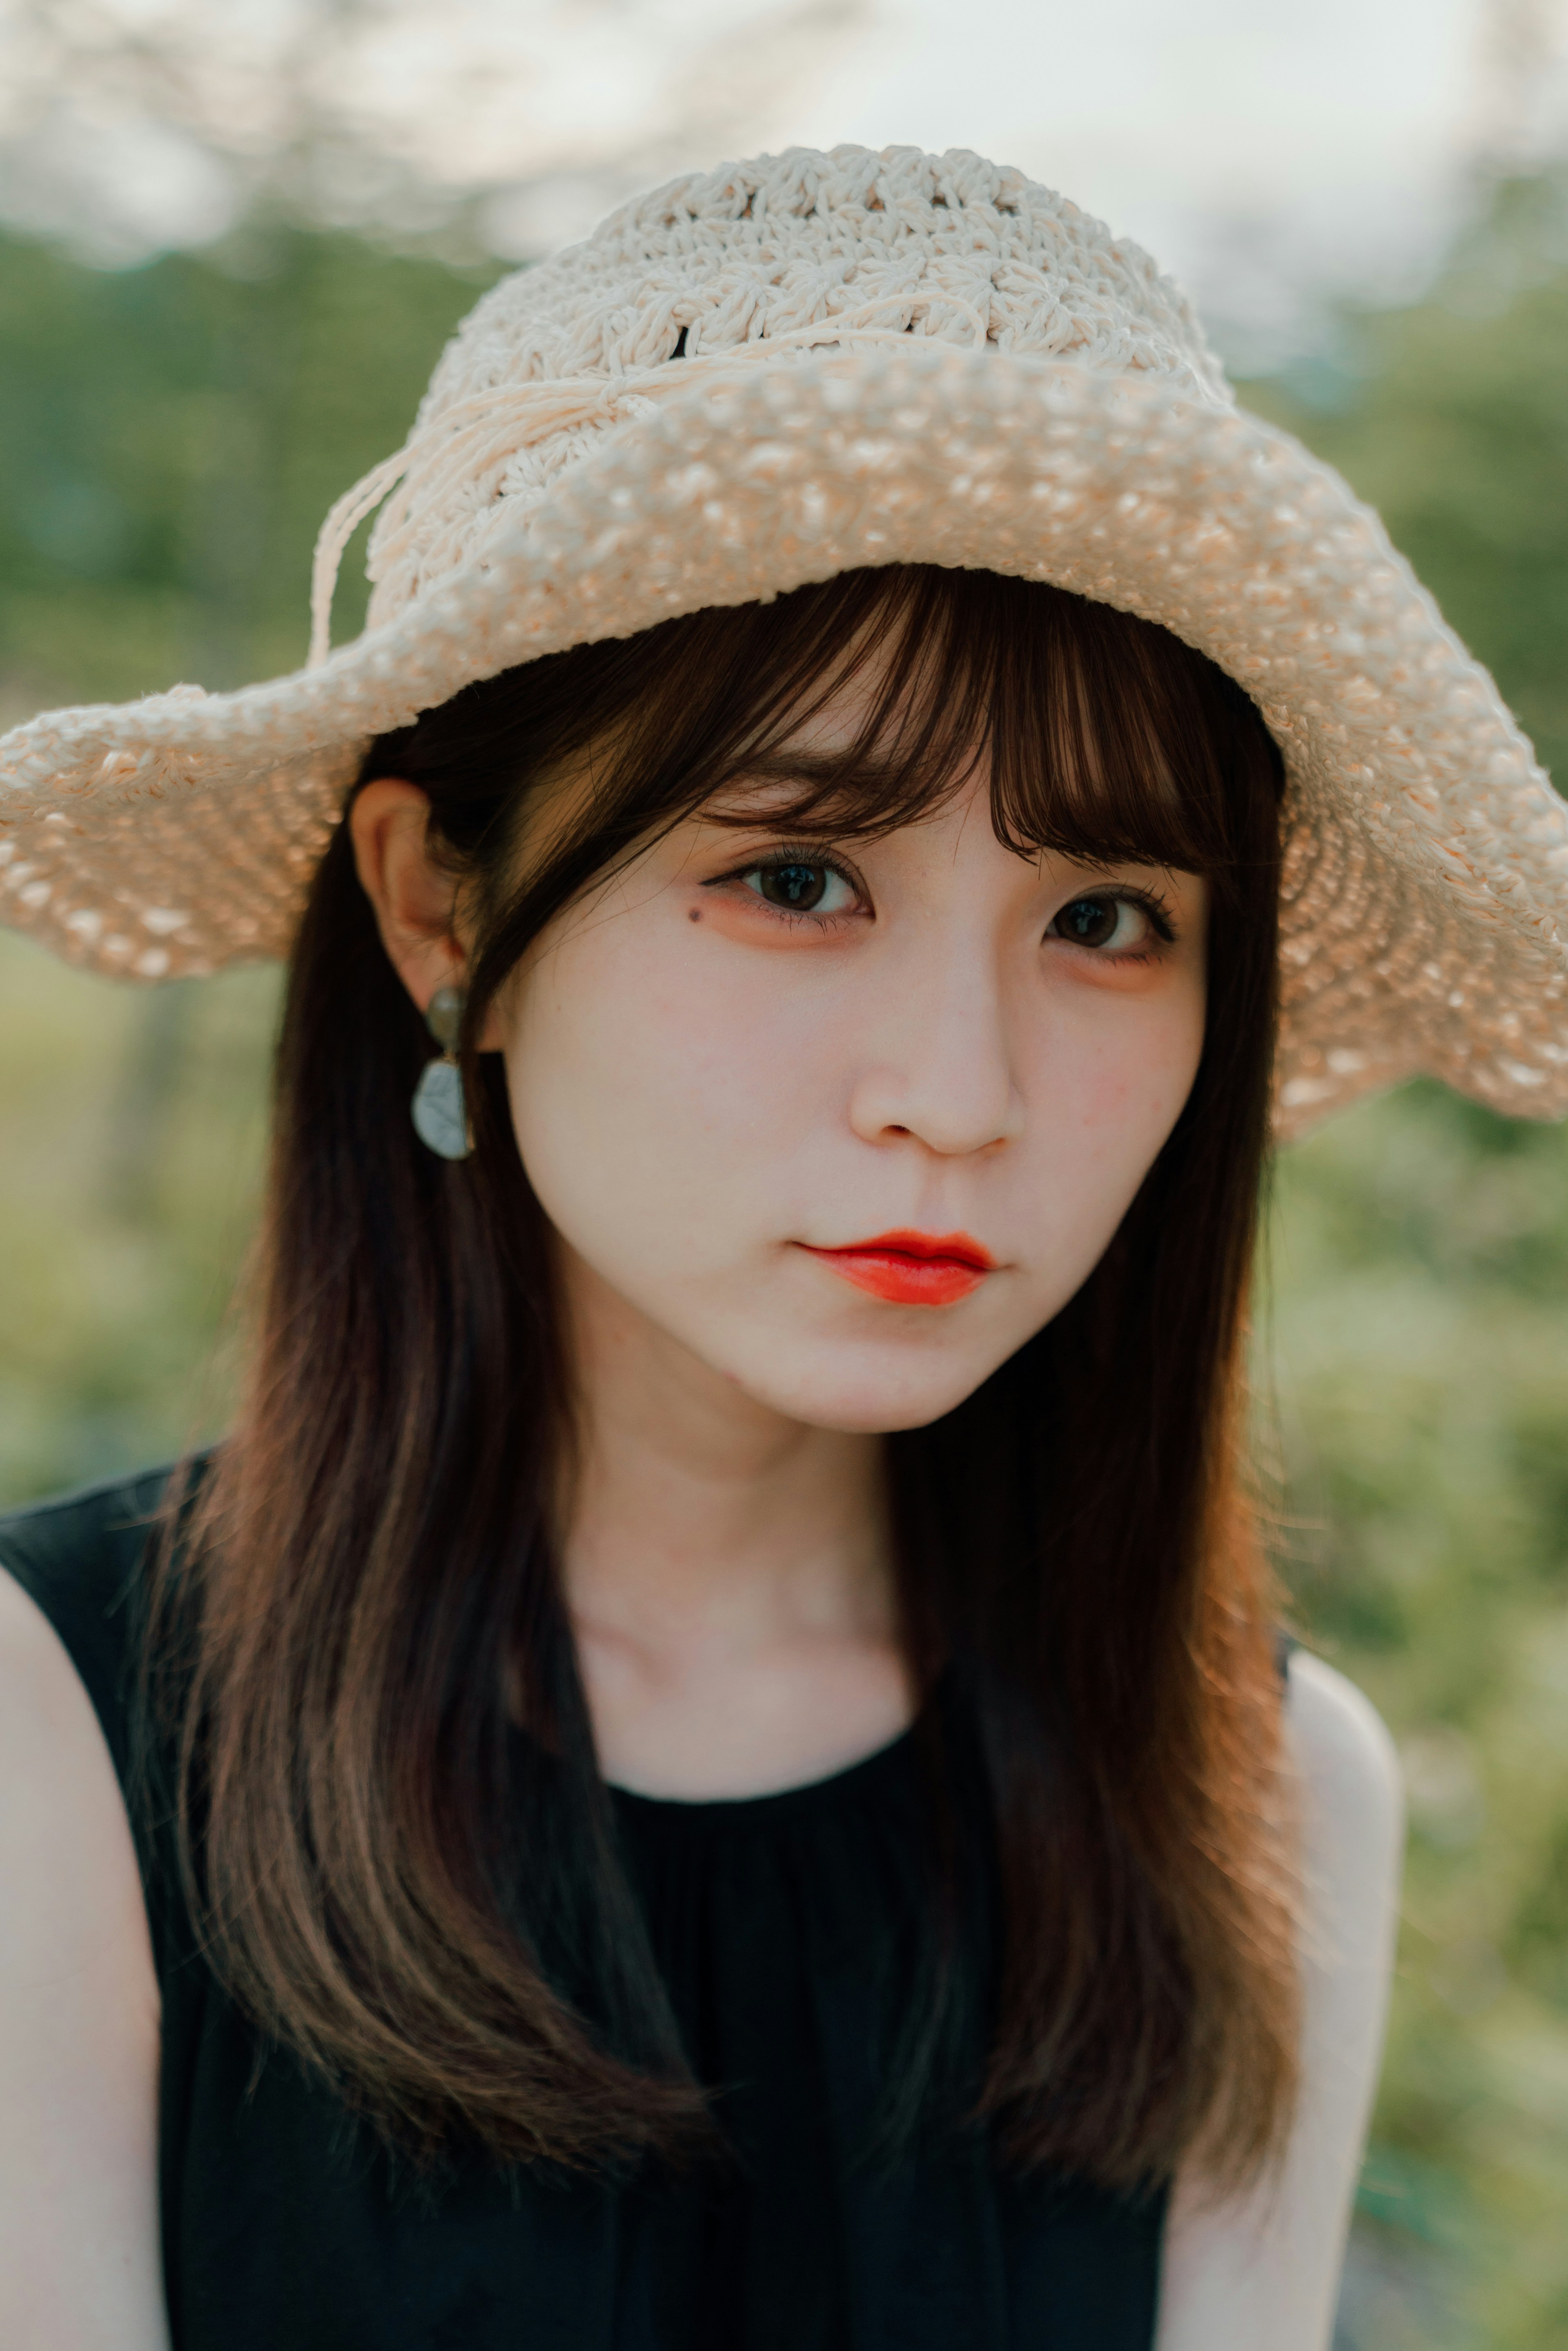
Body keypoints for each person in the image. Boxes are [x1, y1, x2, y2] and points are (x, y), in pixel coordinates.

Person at [2, 142, 1562, 2351]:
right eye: (801, 878)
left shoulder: (1263, 1788)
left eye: (1106, 919)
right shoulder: (53, 1735)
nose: (963, 1087)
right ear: (446, 905)